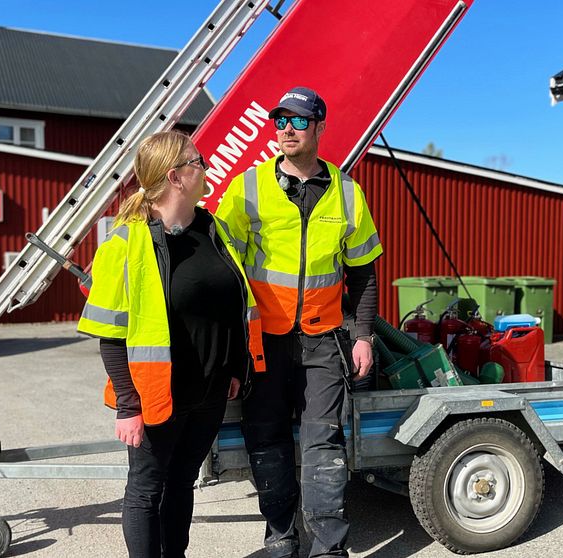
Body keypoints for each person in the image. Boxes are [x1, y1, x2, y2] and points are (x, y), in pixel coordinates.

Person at [77, 130, 265, 558]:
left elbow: (232, 303)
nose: (206, 168)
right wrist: (128, 405)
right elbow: (110, 333)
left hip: (210, 392)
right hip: (157, 395)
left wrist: (236, 366)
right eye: (198, 162)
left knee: (182, 481)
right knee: (146, 490)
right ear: (175, 176)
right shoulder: (125, 243)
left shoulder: (211, 227)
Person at [215, 86, 383, 558]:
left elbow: (364, 274)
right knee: (265, 439)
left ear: (321, 128)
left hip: (324, 340)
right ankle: (281, 538)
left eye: (299, 121)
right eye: (279, 121)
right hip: (263, 342)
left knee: (323, 443)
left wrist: (364, 336)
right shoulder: (247, 188)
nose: (286, 129)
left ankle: (329, 547)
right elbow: (222, 265)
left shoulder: (348, 193)